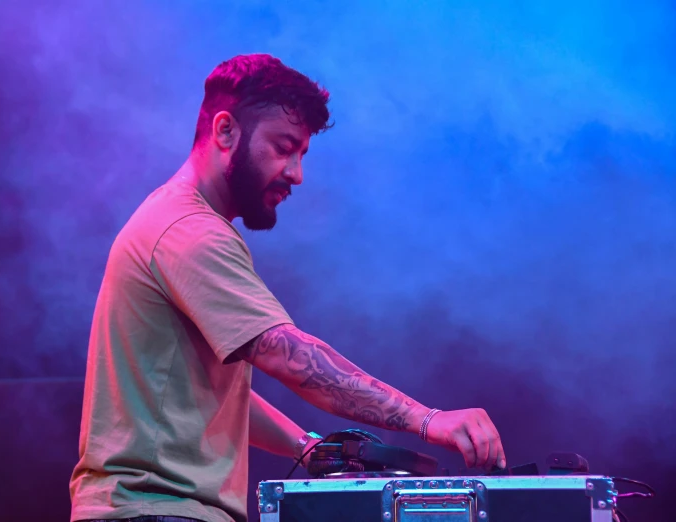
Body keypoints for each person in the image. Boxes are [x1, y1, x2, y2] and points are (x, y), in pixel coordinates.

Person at [69, 53, 506, 522]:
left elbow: (208, 398)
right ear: (225, 131)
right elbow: (290, 357)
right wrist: (428, 419)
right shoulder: (190, 230)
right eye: (283, 147)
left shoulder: (171, 218)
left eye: (301, 154)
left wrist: (306, 447)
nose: (297, 173)